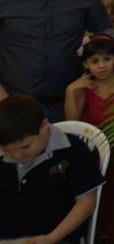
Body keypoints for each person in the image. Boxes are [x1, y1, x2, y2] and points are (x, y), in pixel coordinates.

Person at [0, 0, 110, 120]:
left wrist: (93, 72)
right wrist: (4, 101)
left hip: (69, 103)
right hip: (14, 105)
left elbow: (106, 37)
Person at [0, 95, 106, 244]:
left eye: (25, 147)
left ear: (44, 126)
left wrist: (52, 237)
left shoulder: (72, 149)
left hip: (55, 237)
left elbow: (86, 203)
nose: (17, 155)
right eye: (8, 150)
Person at [64, 35, 114, 126]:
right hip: (92, 135)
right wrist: (70, 90)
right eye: (95, 61)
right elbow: (71, 126)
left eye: (107, 59)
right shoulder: (83, 88)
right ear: (86, 64)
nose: (102, 65)